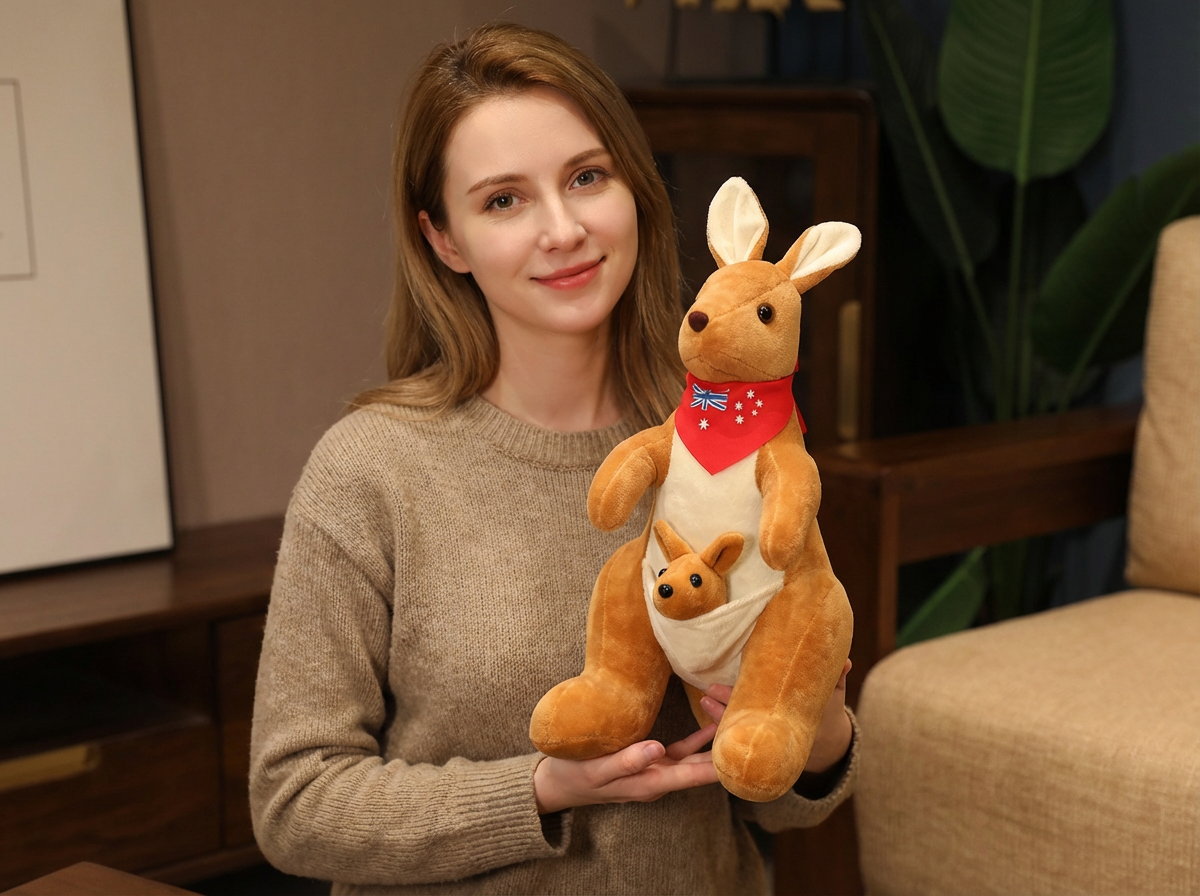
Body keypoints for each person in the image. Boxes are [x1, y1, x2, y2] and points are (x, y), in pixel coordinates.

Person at [249, 22, 856, 895]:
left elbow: (784, 805)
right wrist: (537, 791)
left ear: (633, 187)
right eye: (504, 200)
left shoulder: (728, 437)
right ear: (444, 239)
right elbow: (293, 803)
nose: (564, 229)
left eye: (585, 178)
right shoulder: (370, 470)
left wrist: (819, 730)